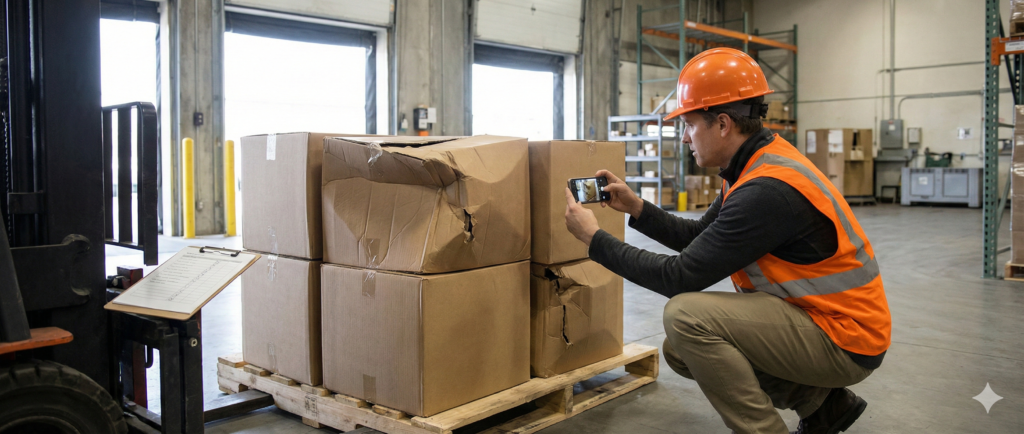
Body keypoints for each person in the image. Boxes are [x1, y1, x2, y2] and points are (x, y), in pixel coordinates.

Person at [562, 47, 891, 434]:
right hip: (820, 318)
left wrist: (594, 239)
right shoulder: (751, 165)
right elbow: (697, 238)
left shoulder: (766, 191)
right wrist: (637, 208)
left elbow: (680, 278)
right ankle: (822, 405)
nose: (685, 138)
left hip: (844, 338)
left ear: (721, 124)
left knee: (686, 317)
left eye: (688, 125)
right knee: (680, 349)